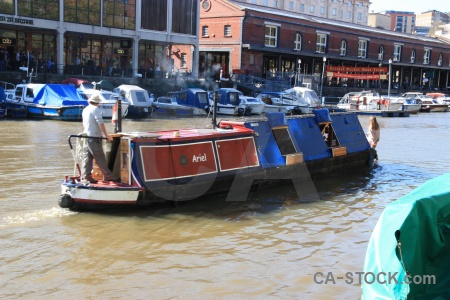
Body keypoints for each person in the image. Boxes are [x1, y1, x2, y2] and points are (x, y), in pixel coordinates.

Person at [82, 94, 118, 183]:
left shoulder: (85, 109)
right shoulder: (95, 109)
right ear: (98, 103)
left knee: (88, 157)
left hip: (88, 136)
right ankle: (108, 175)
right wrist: (106, 135)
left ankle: (86, 176)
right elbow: (100, 122)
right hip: (94, 137)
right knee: (100, 157)